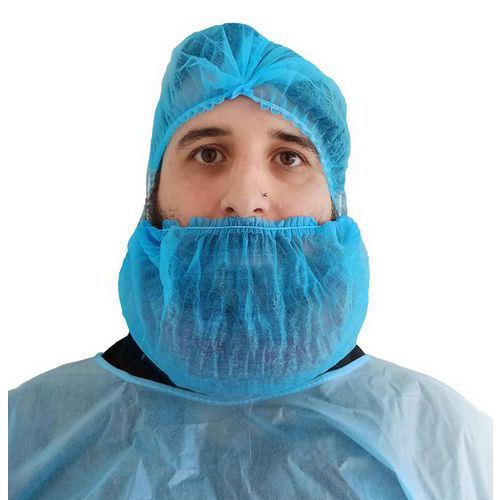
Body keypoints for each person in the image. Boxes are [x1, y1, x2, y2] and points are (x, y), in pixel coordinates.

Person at [8, 22, 492, 499]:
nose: (245, 199)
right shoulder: (24, 434)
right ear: (152, 193)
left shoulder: (446, 443)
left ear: (335, 203)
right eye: (208, 154)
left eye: (289, 158)